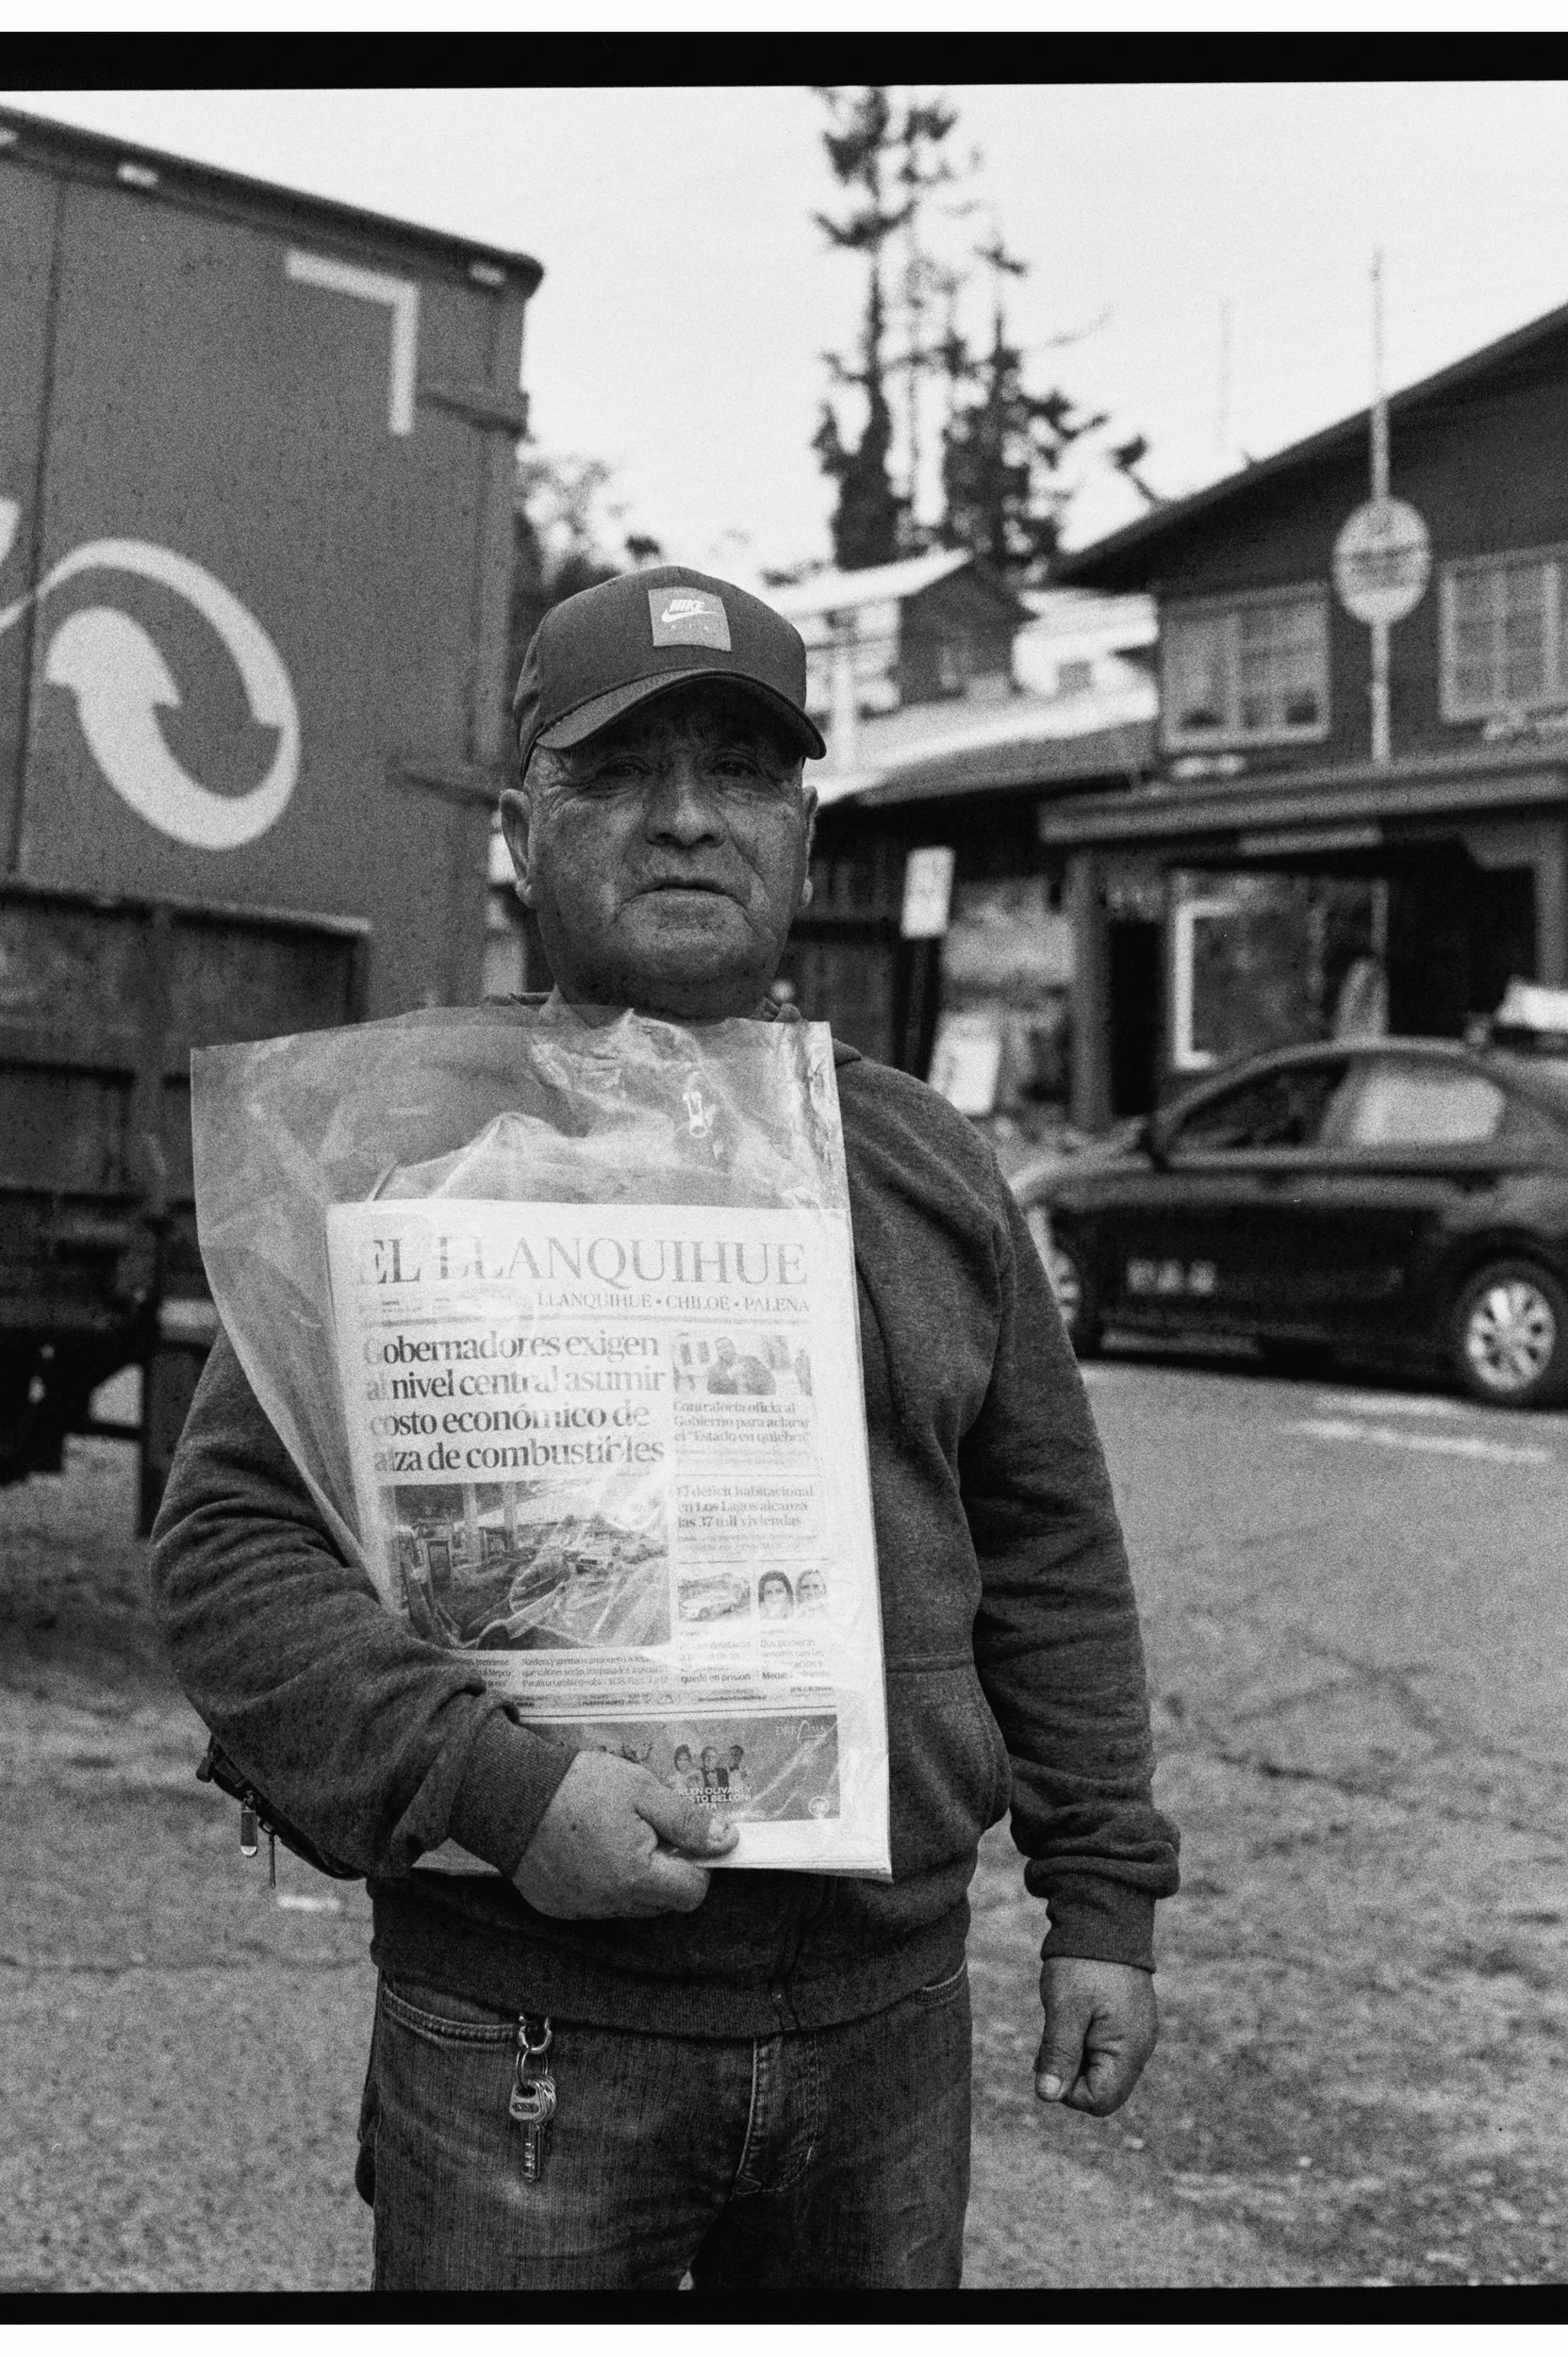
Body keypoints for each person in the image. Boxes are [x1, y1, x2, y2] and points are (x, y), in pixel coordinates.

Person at [152, 562, 1179, 2291]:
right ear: (518, 831)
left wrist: (1105, 1900)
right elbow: (228, 1558)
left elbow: (1050, 1551)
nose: (687, 818)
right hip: (527, 2035)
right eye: (618, 772)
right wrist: (502, 1790)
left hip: (888, 2027)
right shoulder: (399, 1156)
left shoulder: (925, 1163)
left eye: (743, 773)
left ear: (804, 833)